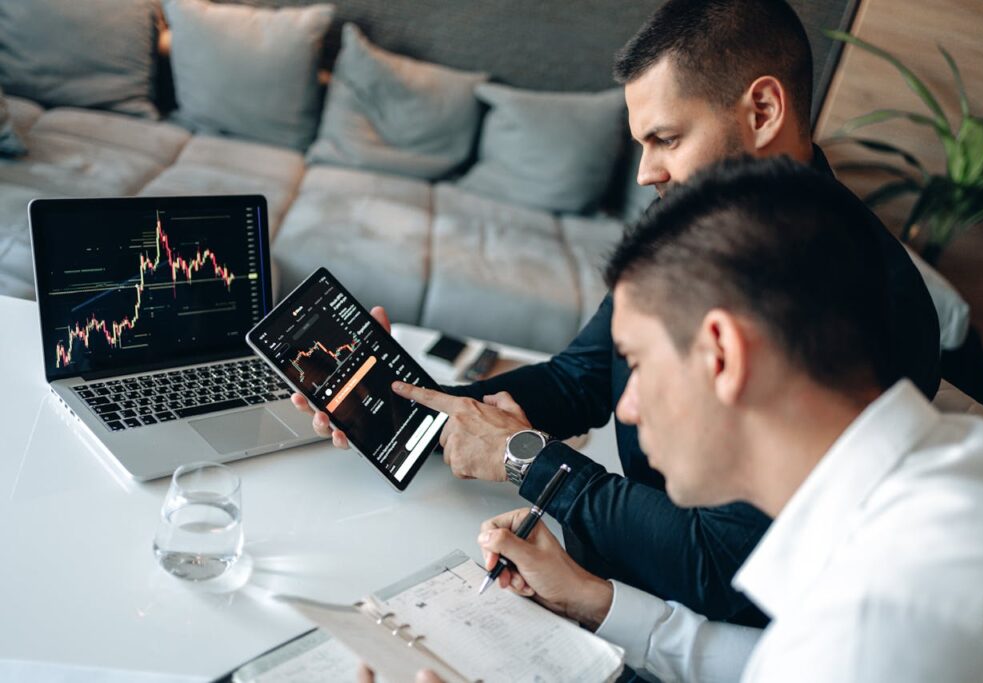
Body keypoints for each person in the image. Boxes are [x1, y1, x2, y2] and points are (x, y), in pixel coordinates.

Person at [295, 0, 941, 626]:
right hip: (609, 579)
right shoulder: (686, 219)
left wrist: (532, 461)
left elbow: (728, 565)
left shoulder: (873, 303)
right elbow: (578, 378)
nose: (645, 174)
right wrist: (405, 403)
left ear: (764, 110)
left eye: (666, 138)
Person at [477, 157, 983, 682]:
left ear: (723, 355)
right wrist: (596, 600)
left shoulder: (871, 625)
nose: (626, 406)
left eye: (638, 364)